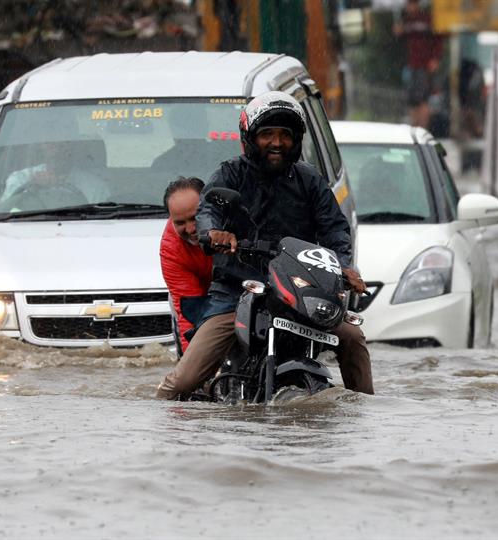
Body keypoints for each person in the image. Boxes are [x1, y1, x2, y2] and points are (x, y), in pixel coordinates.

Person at [156, 91, 374, 399]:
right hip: (236, 293)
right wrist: (214, 232)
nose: (276, 142)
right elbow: (209, 208)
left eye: (284, 135)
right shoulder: (229, 173)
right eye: (267, 134)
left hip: (300, 290)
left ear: (296, 139)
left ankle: (367, 415)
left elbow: (335, 229)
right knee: (181, 382)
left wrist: (343, 266)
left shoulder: (310, 181)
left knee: (352, 337)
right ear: (249, 137)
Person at [160, 176, 213, 353]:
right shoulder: (171, 249)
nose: (190, 229)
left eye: (195, 218)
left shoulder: (235, 223)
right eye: (180, 223)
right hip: (193, 300)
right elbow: (189, 316)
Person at [0, 140, 111, 212]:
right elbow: (4, 213)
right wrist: (32, 186)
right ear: (41, 146)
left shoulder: (94, 186)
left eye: (63, 143)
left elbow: (103, 221)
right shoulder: (20, 179)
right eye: (50, 143)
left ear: (72, 146)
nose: (56, 149)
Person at [394, 0, 445, 129]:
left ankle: (422, 128)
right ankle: (414, 125)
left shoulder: (427, 19)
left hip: (425, 66)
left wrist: (435, 58)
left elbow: (439, 39)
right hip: (411, 65)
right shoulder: (406, 21)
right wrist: (398, 32)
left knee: (422, 99)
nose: (410, 7)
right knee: (412, 100)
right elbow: (400, 41)